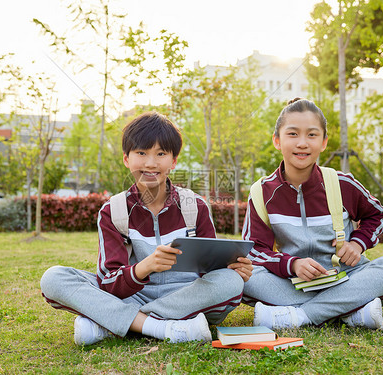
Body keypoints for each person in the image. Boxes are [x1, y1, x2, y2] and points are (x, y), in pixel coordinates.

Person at [41, 111, 253, 345]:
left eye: (160, 153)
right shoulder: (113, 211)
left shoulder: (195, 206)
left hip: (187, 296)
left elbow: (211, 272)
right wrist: (145, 266)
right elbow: (108, 282)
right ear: (126, 159)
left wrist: (234, 269)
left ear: (173, 161)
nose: (151, 163)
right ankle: (158, 327)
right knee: (54, 278)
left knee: (231, 282)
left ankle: (113, 321)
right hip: (132, 296)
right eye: (141, 153)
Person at [242, 98, 383, 330]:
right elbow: (254, 250)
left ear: (323, 143)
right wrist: (292, 264)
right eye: (292, 134)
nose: (302, 143)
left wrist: (357, 244)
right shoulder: (261, 192)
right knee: (243, 277)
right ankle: (351, 310)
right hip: (293, 283)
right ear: (277, 140)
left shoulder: (342, 183)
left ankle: (301, 316)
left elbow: (378, 215)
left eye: (312, 135)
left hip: (347, 278)